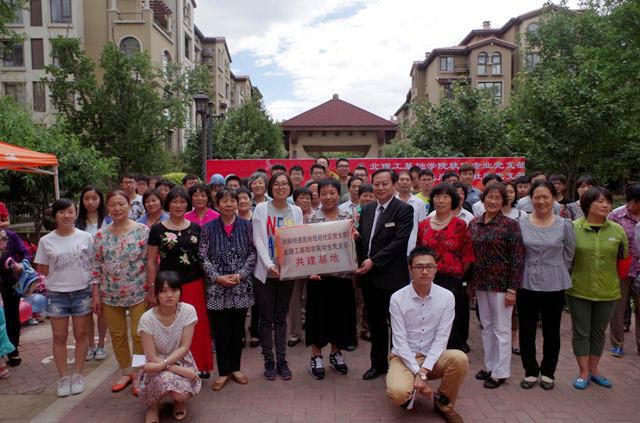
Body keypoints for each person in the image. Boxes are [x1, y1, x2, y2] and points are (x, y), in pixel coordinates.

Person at [386, 246, 468, 423]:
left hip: (433, 356)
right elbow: (399, 342)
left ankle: (443, 405)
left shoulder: (447, 297)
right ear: (410, 269)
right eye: (419, 267)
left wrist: (422, 372)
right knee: (398, 393)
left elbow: (442, 339)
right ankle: (408, 394)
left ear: (436, 268)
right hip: (404, 356)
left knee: (459, 359)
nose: (425, 271)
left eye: (429, 266)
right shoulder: (397, 298)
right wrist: (419, 373)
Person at [148, 188, 213, 378]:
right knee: (171, 325)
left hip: (194, 283)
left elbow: (203, 257)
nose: (178, 205)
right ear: (167, 205)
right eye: (174, 202)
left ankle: (199, 365)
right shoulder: (157, 230)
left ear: (188, 204)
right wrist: (152, 289)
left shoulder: (196, 228)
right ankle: (174, 366)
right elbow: (151, 262)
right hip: (168, 286)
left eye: (182, 202)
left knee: (196, 324)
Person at [356, 169, 414, 380]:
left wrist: (374, 261)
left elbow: (399, 243)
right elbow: (365, 240)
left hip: (392, 278)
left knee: (397, 325)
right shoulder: (368, 209)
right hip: (370, 278)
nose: (380, 188)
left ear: (394, 185)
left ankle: (397, 366)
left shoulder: (404, 210)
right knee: (376, 323)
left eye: (384, 184)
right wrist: (355, 238)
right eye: (376, 184)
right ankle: (378, 364)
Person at [518, 181, 576, 390]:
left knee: (551, 330)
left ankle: (549, 371)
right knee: (527, 329)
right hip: (527, 281)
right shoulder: (521, 223)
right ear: (531, 199)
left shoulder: (564, 224)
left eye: (546, 197)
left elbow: (570, 252)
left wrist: (557, 268)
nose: (541, 201)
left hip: (554, 282)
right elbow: (518, 252)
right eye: (537, 197)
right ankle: (530, 370)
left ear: (553, 198)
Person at [568, 186, 627, 390]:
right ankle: (583, 371)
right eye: (600, 201)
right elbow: (567, 259)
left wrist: (615, 282)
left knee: (599, 333)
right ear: (587, 204)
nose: (605, 205)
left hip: (608, 291)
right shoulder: (573, 228)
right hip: (578, 289)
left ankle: (594, 369)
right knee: (581, 332)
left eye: (608, 201)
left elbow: (623, 260)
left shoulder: (617, 230)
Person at [91, 190, 150, 395]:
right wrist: (96, 294)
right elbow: (96, 266)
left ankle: (140, 372)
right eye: (113, 205)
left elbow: (149, 262)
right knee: (117, 335)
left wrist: (152, 290)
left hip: (138, 291)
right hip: (109, 293)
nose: (117, 208)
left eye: (121, 204)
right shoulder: (100, 235)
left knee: (138, 334)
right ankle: (126, 371)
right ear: (107, 208)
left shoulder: (142, 231)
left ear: (129, 206)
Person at [468, 183, 525, 389]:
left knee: (502, 329)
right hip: (481, 284)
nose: (492, 201)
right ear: (483, 199)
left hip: (502, 286)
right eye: (489, 197)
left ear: (504, 201)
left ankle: (501, 372)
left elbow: (518, 259)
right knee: (486, 326)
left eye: (497, 198)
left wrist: (512, 289)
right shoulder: (474, 224)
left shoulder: (510, 225)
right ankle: (489, 365)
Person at [35, 198, 93, 397]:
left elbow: (93, 265)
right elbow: (43, 268)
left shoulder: (86, 237)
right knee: (59, 336)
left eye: (70, 211)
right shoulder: (46, 241)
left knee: (81, 334)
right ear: (55, 216)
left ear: (76, 214)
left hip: (82, 292)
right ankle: (63, 378)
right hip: (57, 294)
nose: (66, 215)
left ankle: (78, 375)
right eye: (61, 212)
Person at [199, 189, 256, 391]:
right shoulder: (208, 228)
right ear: (217, 205)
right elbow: (202, 256)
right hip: (217, 288)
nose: (229, 204)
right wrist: (216, 277)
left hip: (240, 286)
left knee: (238, 329)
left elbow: (253, 252)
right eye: (224, 201)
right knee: (221, 331)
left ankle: (236, 368)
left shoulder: (247, 226)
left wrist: (241, 275)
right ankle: (224, 372)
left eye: (233, 200)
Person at [252, 172, 304, 380]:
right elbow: (258, 240)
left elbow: (298, 238)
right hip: (265, 274)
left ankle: (282, 360)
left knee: (281, 318)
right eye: (276, 184)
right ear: (270, 188)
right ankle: (268, 361)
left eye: (284, 184)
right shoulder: (261, 209)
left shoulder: (296, 211)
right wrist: (269, 264)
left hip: (286, 273)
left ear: (290, 187)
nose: (280, 187)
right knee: (266, 319)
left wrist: (289, 266)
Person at [305, 179, 357, 380]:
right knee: (317, 318)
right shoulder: (311, 219)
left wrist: (355, 237)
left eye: (332, 193)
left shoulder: (348, 217)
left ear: (338, 194)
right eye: (324, 193)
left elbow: (353, 247)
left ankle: (336, 354)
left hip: (342, 277)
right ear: (318, 195)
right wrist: (308, 271)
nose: (328, 197)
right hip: (318, 278)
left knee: (340, 317)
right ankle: (316, 357)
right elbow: (305, 249)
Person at [417, 183, 475, 352]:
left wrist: (458, 275)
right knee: (428, 319)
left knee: (452, 320)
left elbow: (467, 256)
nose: (440, 200)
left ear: (452, 201)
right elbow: (418, 252)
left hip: (452, 281)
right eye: (437, 196)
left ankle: (452, 353)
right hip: (428, 279)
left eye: (445, 197)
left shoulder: (460, 225)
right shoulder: (423, 225)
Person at [138, 271, 201, 423]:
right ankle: (153, 406)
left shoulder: (188, 311)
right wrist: (178, 370)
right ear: (157, 294)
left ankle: (178, 401)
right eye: (164, 291)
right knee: (162, 380)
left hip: (180, 359)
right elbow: (151, 356)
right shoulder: (147, 318)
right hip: (154, 361)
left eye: (174, 290)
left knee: (181, 394)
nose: (170, 295)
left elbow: (184, 347)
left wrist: (174, 366)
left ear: (180, 291)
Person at [76, 186, 112, 362]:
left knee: (102, 311)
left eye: (94, 198)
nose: (90, 202)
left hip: (105, 273)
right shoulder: (77, 223)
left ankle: (101, 345)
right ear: (82, 201)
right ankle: (90, 345)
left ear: (100, 200)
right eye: (86, 199)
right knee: (87, 312)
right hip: (82, 274)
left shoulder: (109, 221)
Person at [607, 182, 640, 358]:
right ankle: (617, 344)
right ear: (632, 201)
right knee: (618, 308)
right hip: (621, 268)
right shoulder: (616, 216)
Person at [0, 228, 31, 367]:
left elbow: (26, 254)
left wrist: (21, 265)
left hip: (10, 283)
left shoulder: (9, 235)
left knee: (11, 316)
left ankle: (13, 351)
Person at [287, 187, 314, 348]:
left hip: (313, 263)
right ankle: (294, 333)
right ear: (295, 200)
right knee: (294, 299)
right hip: (295, 263)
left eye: (308, 198)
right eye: (302, 198)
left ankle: (312, 330)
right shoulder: (289, 217)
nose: (305, 201)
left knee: (312, 298)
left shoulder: (317, 217)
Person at [396, 170, 427, 254]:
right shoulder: (392, 202)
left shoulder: (419, 203)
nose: (405, 182)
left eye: (407, 180)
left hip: (413, 248)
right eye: (402, 179)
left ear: (411, 183)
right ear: (397, 183)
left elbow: (422, 227)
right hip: (394, 249)